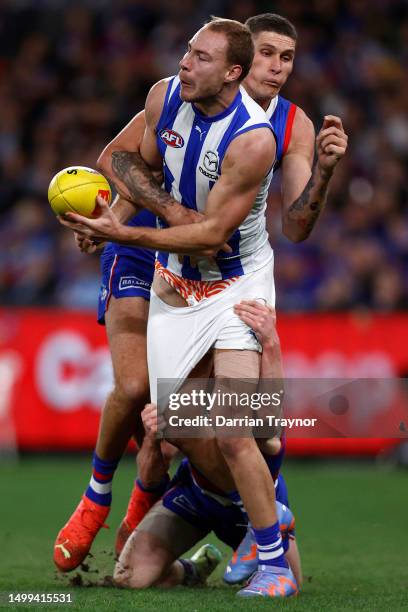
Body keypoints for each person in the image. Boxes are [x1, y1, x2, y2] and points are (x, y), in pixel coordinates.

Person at [55, 13, 348, 589]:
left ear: (229, 71)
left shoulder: (276, 131)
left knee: (238, 426)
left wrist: (325, 175)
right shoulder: (172, 95)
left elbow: (289, 227)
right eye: (267, 53)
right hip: (163, 264)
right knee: (163, 413)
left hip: (229, 273)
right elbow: (119, 157)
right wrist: (111, 216)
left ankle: (261, 538)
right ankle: (137, 501)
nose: (276, 68)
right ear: (243, 64)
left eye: (286, 58)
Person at [114, 300, 302, 595]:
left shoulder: (243, 369)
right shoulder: (182, 379)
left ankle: (265, 522)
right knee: (130, 576)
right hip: (197, 494)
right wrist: (152, 436)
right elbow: (152, 475)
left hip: (257, 496)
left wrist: (271, 342)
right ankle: (192, 569)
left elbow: (272, 434)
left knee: (293, 580)